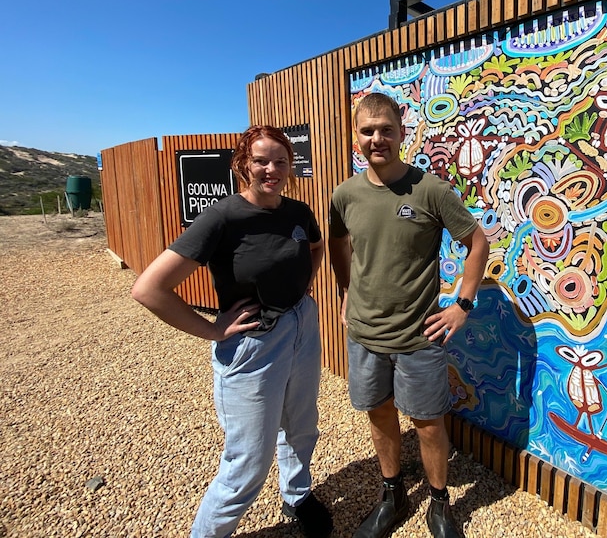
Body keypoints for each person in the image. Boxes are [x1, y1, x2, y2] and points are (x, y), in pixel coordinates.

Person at [131, 125, 333, 538]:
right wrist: (210, 330)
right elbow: (148, 288)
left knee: (301, 425)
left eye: (280, 161)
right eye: (261, 160)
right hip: (253, 344)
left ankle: (297, 495)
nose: (271, 169)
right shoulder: (222, 217)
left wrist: (302, 289)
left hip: (301, 327)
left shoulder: (297, 212)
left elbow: (316, 247)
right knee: (247, 462)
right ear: (243, 164)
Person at [328, 93, 490, 538]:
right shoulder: (345, 195)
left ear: (402, 133)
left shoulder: (430, 190)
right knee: (379, 413)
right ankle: (393, 493)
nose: (376, 138)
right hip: (364, 334)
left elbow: (478, 243)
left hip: (419, 336)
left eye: (386, 129)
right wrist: (346, 292)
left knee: (427, 422)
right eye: (367, 130)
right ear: (355, 136)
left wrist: (462, 304)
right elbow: (338, 245)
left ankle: (439, 505)